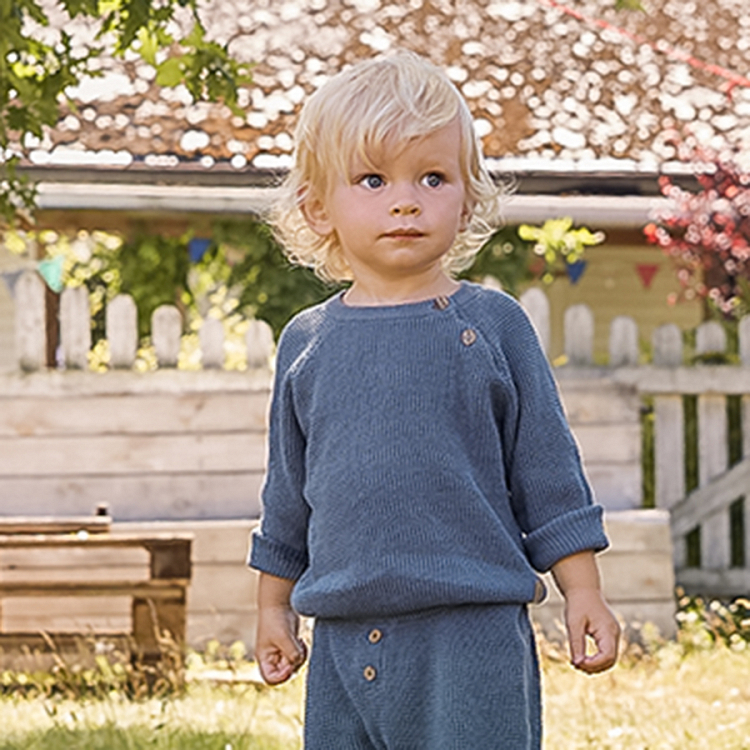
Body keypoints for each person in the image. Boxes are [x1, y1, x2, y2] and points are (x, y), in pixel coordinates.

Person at [249, 50, 620, 749]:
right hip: (340, 641)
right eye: (372, 178)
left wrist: (585, 592)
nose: (406, 199)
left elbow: (548, 475)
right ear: (316, 205)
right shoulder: (306, 343)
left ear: (468, 196)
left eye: (432, 176)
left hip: (470, 636)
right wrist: (274, 607)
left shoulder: (493, 326)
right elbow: (288, 495)